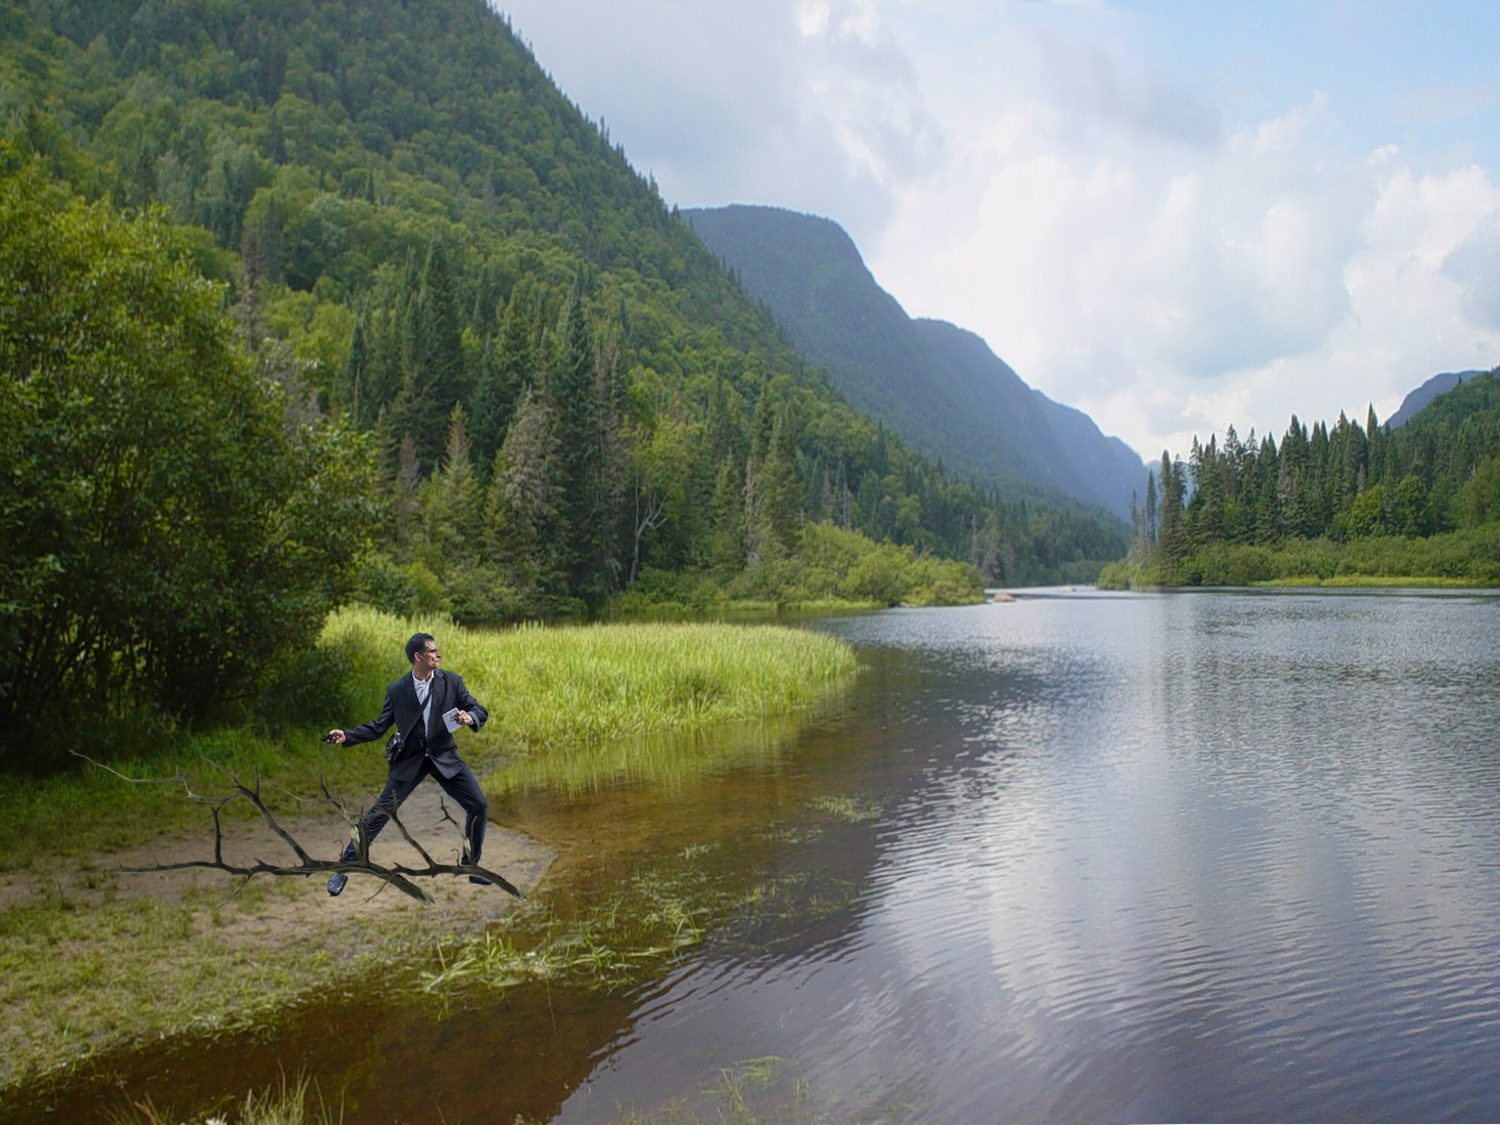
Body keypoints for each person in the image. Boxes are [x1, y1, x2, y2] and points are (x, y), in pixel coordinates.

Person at [324, 632, 491, 895]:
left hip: (443, 757)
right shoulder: (397, 690)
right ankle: (344, 869)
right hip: (410, 760)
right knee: (378, 814)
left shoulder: (452, 682)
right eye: (433, 651)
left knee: (478, 805)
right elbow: (379, 727)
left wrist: (468, 717)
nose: (438, 655)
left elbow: (478, 709)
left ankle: (470, 866)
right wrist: (348, 735)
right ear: (418, 656)